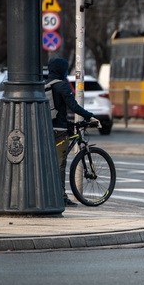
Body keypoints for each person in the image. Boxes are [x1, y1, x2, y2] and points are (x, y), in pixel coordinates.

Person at [46, 57, 98, 207]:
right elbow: (73, 107)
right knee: (60, 164)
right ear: (62, 71)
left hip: (46, 129)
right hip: (59, 131)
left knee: (48, 163)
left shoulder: (45, 85)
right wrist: (90, 116)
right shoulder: (62, 86)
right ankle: (61, 197)